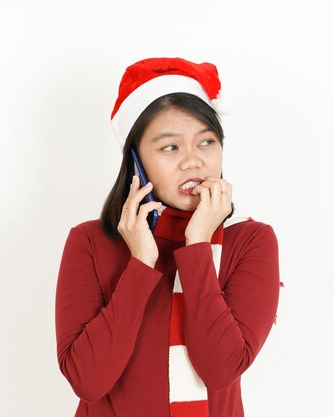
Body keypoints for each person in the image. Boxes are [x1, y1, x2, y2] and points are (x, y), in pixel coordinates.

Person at [55, 57, 281, 417]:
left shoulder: (251, 240)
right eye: (170, 147)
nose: (193, 161)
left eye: (206, 142)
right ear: (136, 162)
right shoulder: (90, 242)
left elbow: (219, 371)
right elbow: (88, 381)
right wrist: (141, 265)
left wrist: (198, 247)